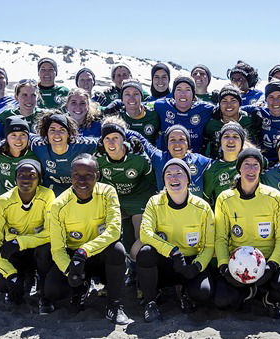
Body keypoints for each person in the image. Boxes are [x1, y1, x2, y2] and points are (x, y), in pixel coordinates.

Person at [43, 153, 131, 324]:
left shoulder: (108, 193)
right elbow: (58, 248)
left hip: (99, 255)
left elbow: (114, 231)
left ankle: (114, 305)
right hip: (75, 259)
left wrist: (85, 250)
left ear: (97, 176)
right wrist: (70, 271)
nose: (82, 181)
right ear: (71, 177)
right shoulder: (59, 205)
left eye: (88, 176)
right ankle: (80, 287)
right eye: (77, 175)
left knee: (118, 250)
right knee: (52, 291)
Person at [214, 148, 280, 319]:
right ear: (239, 168)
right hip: (237, 264)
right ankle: (251, 293)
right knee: (221, 301)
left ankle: (267, 297)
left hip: (268, 261)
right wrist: (223, 265)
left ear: (260, 169)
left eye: (255, 165)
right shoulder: (224, 198)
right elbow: (221, 237)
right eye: (246, 165)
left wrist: (272, 264)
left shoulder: (275, 197)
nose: (251, 170)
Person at [137, 158, 214, 321]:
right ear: (164, 181)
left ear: (188, 179)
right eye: (169, 175)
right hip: (166, 260)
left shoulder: (203, 207)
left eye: (179, 174)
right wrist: (172, 252)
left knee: (203, 293)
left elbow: (209, 246)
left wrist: (197, 266)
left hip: (189, 263)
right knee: (145, 252)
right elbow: (145, 233)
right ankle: (150, 301)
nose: (174, 178)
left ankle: (184, 290)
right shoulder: (155, 202)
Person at [0, 159, 55, 313]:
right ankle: (22, 276)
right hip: (15, 252)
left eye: (32, 175)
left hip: (37, 250)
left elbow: (51, 233)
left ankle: (43, 292)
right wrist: (10, 274)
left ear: (39, 179)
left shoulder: (47, 195)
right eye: (21, 175)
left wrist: (20, 241)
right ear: (15, 178)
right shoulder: (3, 201)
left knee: (47, 249)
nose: (26, 179)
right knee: (2, 285)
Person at [95, 116, 156, 284]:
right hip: (116, 199)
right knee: (108, 234)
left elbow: (151, 181)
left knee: (140, 237)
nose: (111, 142)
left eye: (115, 138)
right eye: (107, 138)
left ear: (124, 139)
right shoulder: (98, 158)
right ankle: (108, 275)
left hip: (139, 197)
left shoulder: (138, 157)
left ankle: (137, 271)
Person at [129, 124, 212, 197]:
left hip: (194, 210)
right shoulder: (159, 158)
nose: (177, 143)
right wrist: (119, 131)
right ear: (167, 144)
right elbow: (139, 137)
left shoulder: (200, 161)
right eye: (172, 140)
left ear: (188, 143)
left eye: (182, 139)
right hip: (166, 209)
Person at [30, 111, 98, 196]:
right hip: (50, 195)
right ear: (46, 134)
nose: (57, 134)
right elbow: (23, 135)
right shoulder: (38, 145)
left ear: (68, 134)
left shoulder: (83, 145)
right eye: (52, 130)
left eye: (62, 130)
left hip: (78, 194)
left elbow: (104, 141)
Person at [152, 76, 215, 153]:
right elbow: (142, 105)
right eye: (179, 89)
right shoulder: (161, 105)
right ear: (173, 93)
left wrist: (219, 97)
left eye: (188, 90)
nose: (183, 94)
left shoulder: (205, 109)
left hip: (193, 159)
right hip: (166, 158)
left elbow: (223, 109)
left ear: (193, 94)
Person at [0, 116, 38, 195]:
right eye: (13, 135)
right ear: (6, 137)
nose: (18, 140)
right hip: (6, 202)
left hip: (34, 201)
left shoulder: (37, 152)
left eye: (23, 135)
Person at [203, 84, 255, 158]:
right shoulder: (211, 125)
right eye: (224, 101)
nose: (229, 105)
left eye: (233, 100)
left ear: (239, 103)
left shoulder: (249, 120)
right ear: (219, 104)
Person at [203, 122, 249, 206]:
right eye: (226, 136)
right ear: (220, 141)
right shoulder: (212, 170)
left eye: (235, 137)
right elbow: (206, 200)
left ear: (242, 142)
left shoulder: (252, 163)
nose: (231, 140)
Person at [119, 79, 161, 143]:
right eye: (127, 94)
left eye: (136, 94)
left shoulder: (154, 115)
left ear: (141, 97)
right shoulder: (117, 117)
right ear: (122, 99)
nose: (132, 98)